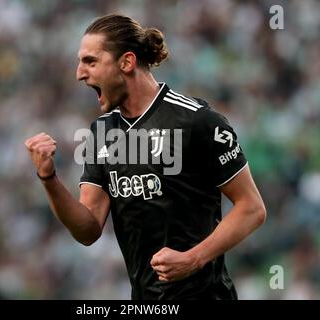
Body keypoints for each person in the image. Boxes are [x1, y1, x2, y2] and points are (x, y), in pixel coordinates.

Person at [25, 14, 266, 300]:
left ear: (126, 62)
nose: (79, 73)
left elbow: (251, 208)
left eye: (90, 61)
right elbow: (88, 229)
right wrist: (49, 178)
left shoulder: (196, 122)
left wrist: (194, 258)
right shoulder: (103, 133)